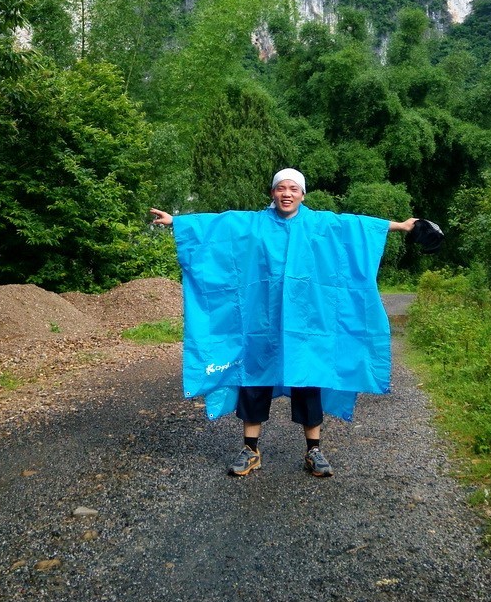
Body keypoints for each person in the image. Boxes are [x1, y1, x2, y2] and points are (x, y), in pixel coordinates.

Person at [151, 168, 416, 478]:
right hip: (260, 322)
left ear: (302, 194)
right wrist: (177, 222)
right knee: (254, 380)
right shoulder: (255, 224)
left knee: (307, 377)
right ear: (273, 193)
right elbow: (219, 227)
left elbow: (354, 227)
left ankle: (313, 451)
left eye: (293, 188)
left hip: (305, 324)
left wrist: (400, 226)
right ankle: (250, 449)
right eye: (281, 188)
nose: (287, 193)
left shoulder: (320, 224)